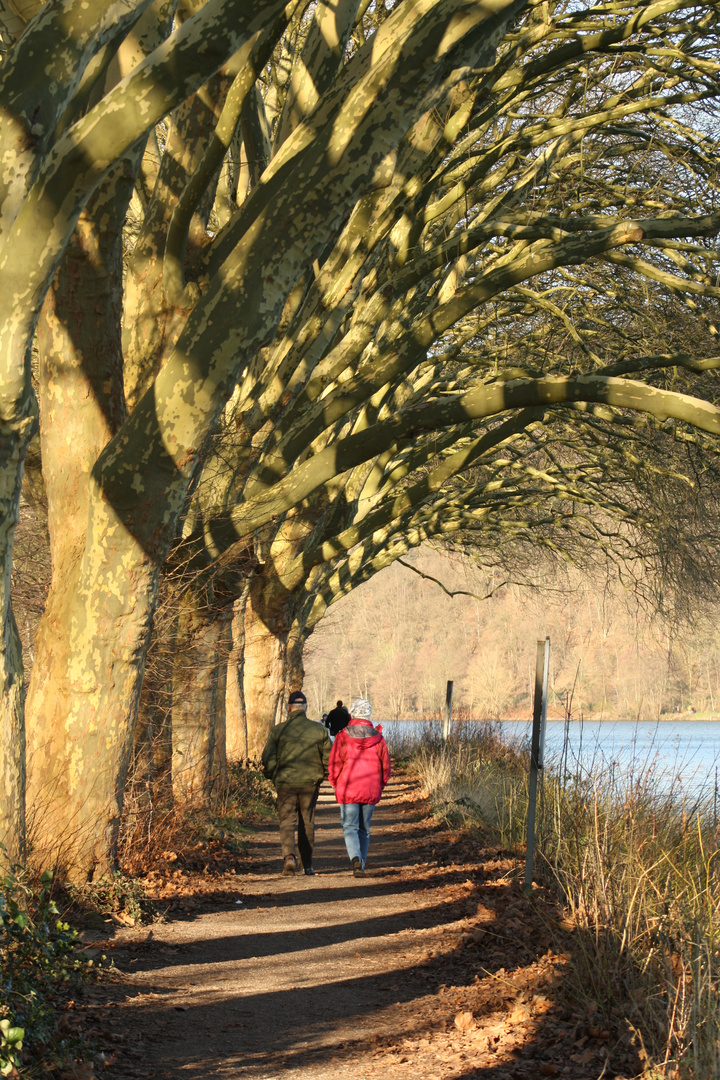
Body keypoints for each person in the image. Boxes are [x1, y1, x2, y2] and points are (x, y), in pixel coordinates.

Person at [261, 690, 331, 877]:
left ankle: (289, 858)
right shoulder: (319, 730)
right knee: (306, 821)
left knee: (286, 820)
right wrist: (323, 774)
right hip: (310, 782)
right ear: (306, 708)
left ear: (289, 708)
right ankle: (307, 864)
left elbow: (268, 757)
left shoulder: (279, 730)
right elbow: (328, 758)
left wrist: (273, 774)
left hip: (285, 782)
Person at [328, 698, 390, 878]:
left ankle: (355, 858)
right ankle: (361, 864)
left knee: (349, 826)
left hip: (348, 787)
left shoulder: (343, 735)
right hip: (371, 787)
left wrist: (334, 781)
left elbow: (335, 762)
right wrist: (380, 785)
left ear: (352, 714)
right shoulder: (378, 738)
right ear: (368, 714)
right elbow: (385, 766)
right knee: (364, 828)